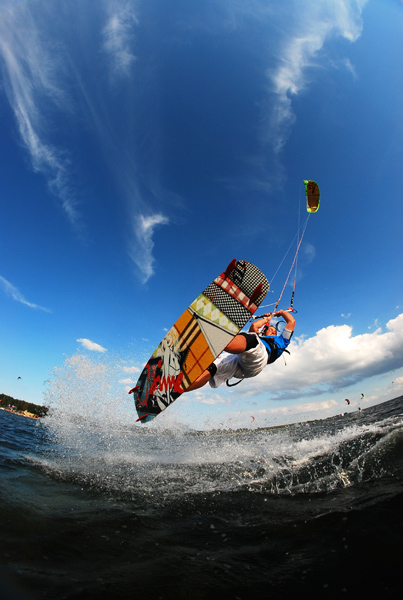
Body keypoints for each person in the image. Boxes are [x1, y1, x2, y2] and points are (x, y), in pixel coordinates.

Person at [185, 309, 295, 392]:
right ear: (265, 331)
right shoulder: (260, 337)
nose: (272, 332)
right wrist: (265, 320)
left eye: (274, 331)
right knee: (212, 368)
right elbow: (253, 327)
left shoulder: (282, 341)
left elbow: (291, 321)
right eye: (270, 330)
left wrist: (281, 312)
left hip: (258, 360)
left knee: (251, 340)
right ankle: (178, 389)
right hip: (239, 361)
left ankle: (213, 339)